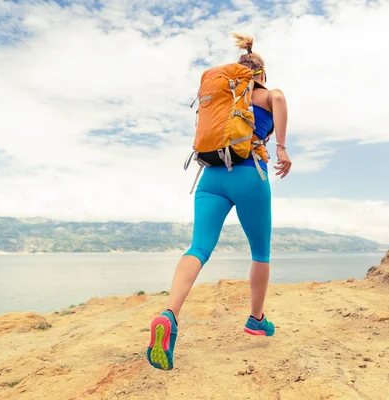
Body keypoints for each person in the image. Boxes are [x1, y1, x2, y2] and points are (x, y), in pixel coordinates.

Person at [146, 33, 292, 371]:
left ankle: (170, 314)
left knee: (198, 247)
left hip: (211, 177)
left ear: (235, 73)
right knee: (260, 252)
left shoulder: (224, 98)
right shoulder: (268, 94)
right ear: (262, 74)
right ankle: (256, 319)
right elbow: (281, 99)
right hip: (249, 175)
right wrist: (281, 148)